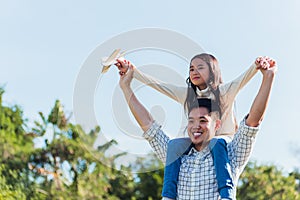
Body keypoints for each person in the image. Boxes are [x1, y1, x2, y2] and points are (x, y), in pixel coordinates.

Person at [116, 54, 274, 199]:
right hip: (189, 149)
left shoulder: (230, 156)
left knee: (217, 143)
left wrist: (260, 69)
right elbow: (150, 125)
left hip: (223, 142)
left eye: (203, 120)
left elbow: (252, 120)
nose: (196, 125)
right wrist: (131, 75)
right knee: (173, 145)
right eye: (191, 120)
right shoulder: (179, 157)